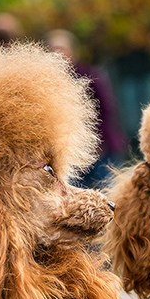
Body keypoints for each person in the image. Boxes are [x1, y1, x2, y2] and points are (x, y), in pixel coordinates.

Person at [45, 29, 127, 188]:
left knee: (108, 195)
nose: (58, 53)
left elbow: (107, 110)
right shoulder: (47, 83)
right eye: (53, 49)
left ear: (71, 51)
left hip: (102, 151)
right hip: (70, 157)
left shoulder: (90, 75)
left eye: (61, 48)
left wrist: (97, 143)